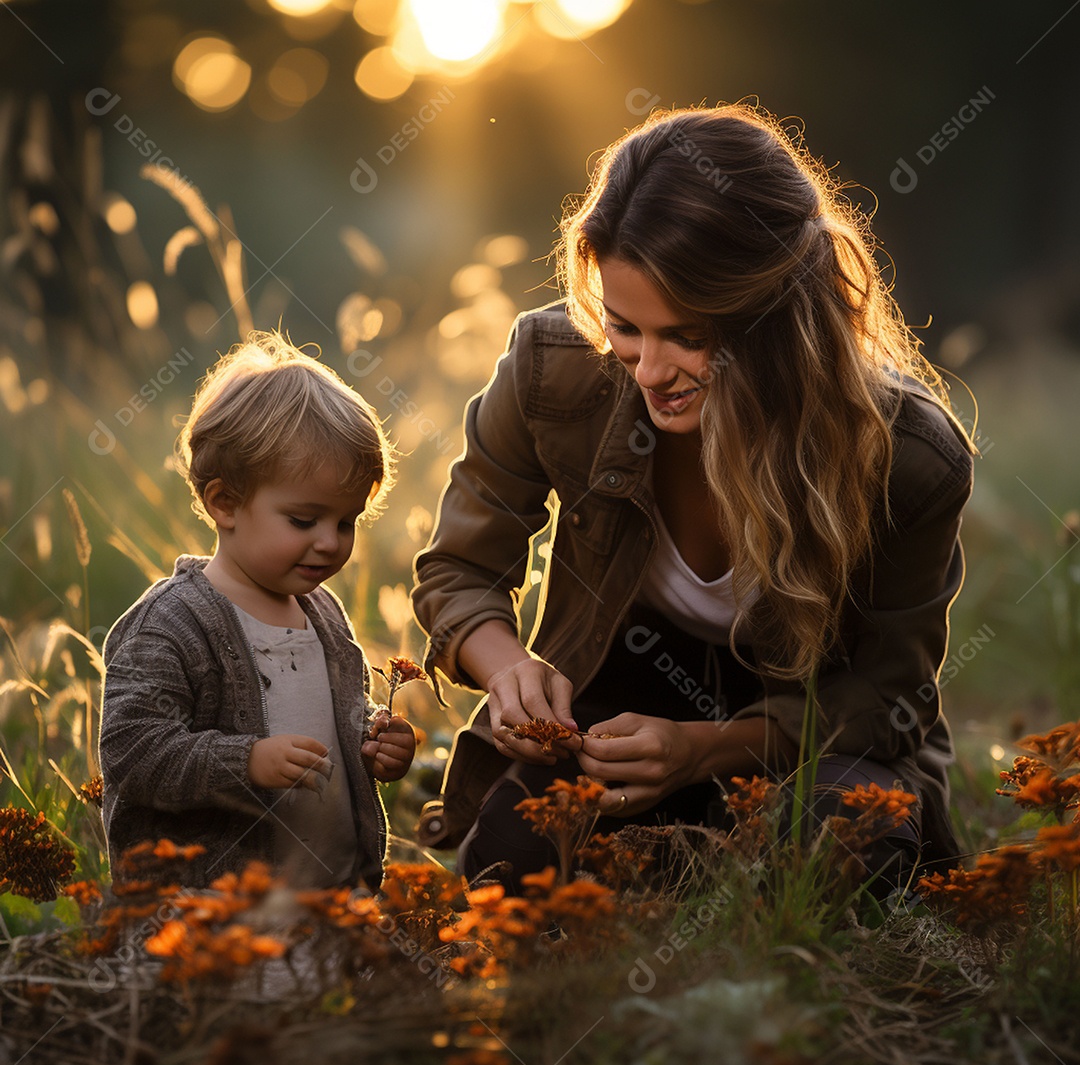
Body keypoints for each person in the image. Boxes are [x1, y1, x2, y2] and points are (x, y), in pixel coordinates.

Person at [412, 104, 976, 894]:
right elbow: (455, 571)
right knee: (513, 861)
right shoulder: (553, 368)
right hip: (617, 702)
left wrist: (702, 751)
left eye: (688, 336)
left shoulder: (908, 455)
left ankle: (703, 861)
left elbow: (887, 699)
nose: (647, 370)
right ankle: (675, 862)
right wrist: (507, 669)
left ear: (780, 320)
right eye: (625, 328)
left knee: (846, 846)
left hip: (804, 731)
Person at [100, 330, 414, 891]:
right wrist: (245, 761)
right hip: (217, 916)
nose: (330, 542)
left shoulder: (322, 613)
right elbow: (133, 749)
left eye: (346, 522)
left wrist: (373, 739)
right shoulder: (173, 624)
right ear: (225, 503)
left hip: (332, 897)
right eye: (303, 520)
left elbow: (329, 712)